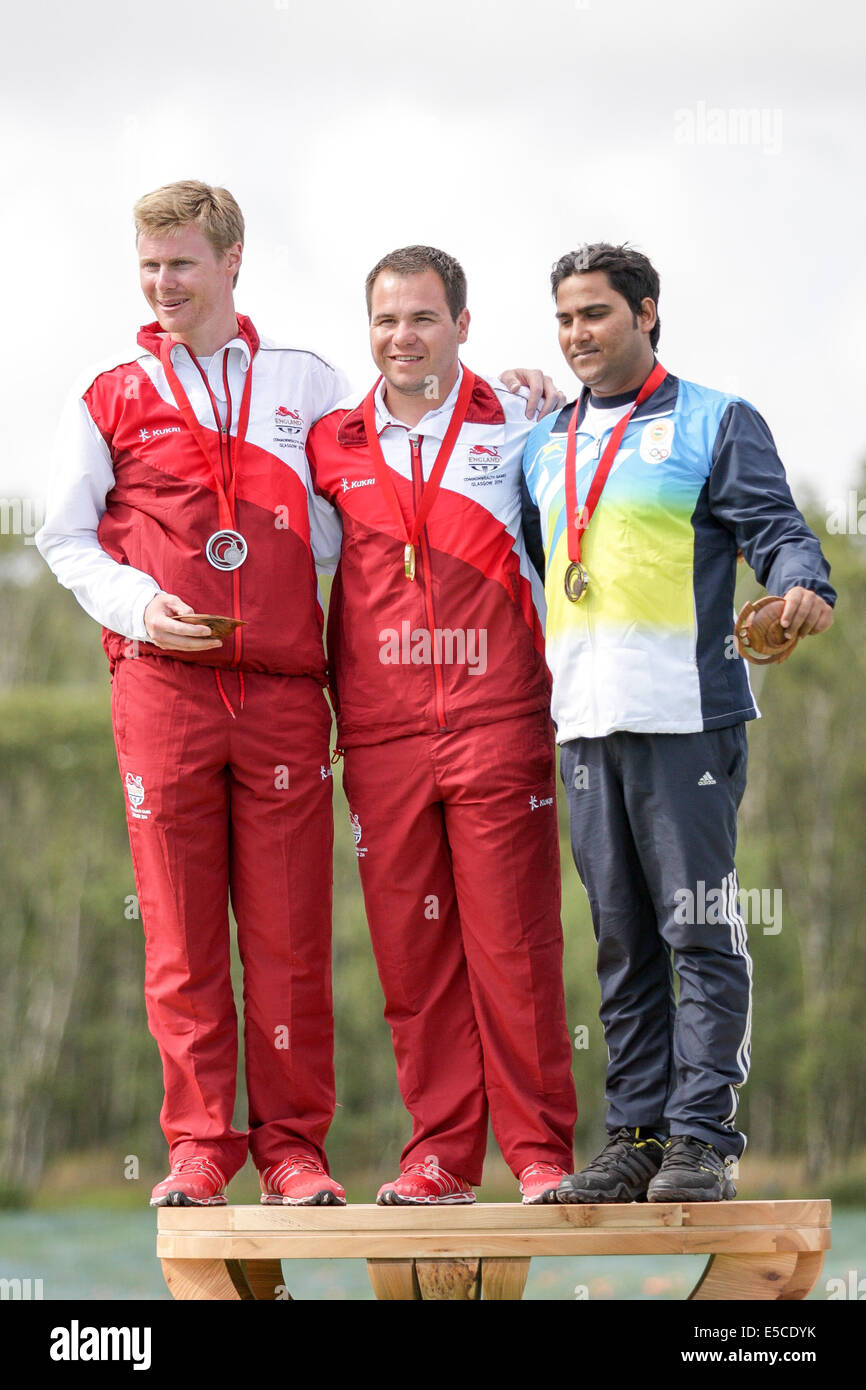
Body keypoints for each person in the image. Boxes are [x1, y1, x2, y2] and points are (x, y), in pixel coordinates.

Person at [36, 180, 352, 1207]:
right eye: (147, 266)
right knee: (178, 932)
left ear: (230, 261)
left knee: (290, 936)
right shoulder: (112, 390)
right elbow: (62, 535)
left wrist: (509, 398)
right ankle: (200, 1146)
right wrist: (134, 604)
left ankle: (294, 1150)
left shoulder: (304, 381)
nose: (162, 283)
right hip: (163, 687)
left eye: (179, 263)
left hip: (283, 691)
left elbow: (373, 487)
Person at [522, 242, 836, 1203]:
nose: (579, 334)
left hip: (688, 719)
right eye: (567, 318)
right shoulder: (543, 441)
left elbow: (775, 529)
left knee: (697, 929)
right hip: (584, 724)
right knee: (622, 940)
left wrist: (800, 581)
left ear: (647, 313)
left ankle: (705, 1139)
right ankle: (640, 1137)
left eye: (598, 315)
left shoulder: (715, 420)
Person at [306, 245, 577, 1206]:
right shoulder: (330, 441)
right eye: (385, 320)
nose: (401, 337)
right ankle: (440, 1157)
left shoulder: (523, 418)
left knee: (515, 945)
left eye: (422, 318)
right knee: (413, 956)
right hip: (381, 732)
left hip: (498, 716)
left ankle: (541, 1154)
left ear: (463, 325)